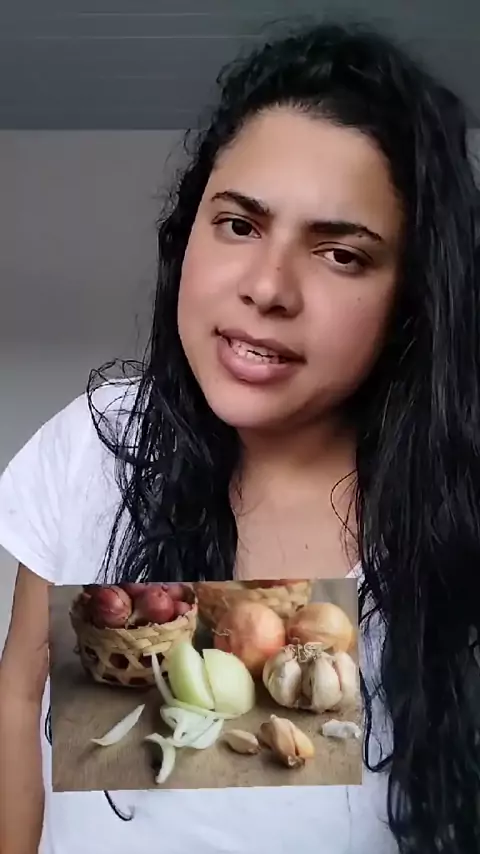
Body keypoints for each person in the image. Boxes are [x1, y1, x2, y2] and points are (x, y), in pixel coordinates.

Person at [0, 17, 479, 854]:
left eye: (340, 254)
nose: (267, 288)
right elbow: (19, 694)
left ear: (412, 298)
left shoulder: (455, 523)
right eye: (240, 225)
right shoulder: (97, 447)